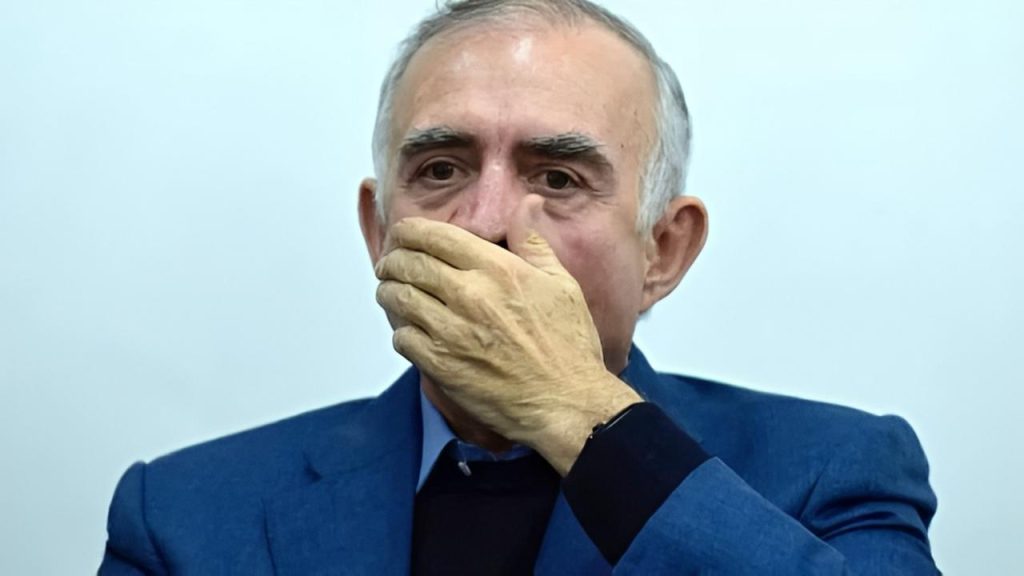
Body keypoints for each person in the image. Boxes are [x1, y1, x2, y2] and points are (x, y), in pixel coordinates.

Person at [99, 1, 939, 574]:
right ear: (380, 234)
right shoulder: (179, 514)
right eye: (440, 168)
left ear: (663, 251)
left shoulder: (831, 472)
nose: (487, 222)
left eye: (559, 178)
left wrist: (575, 411)